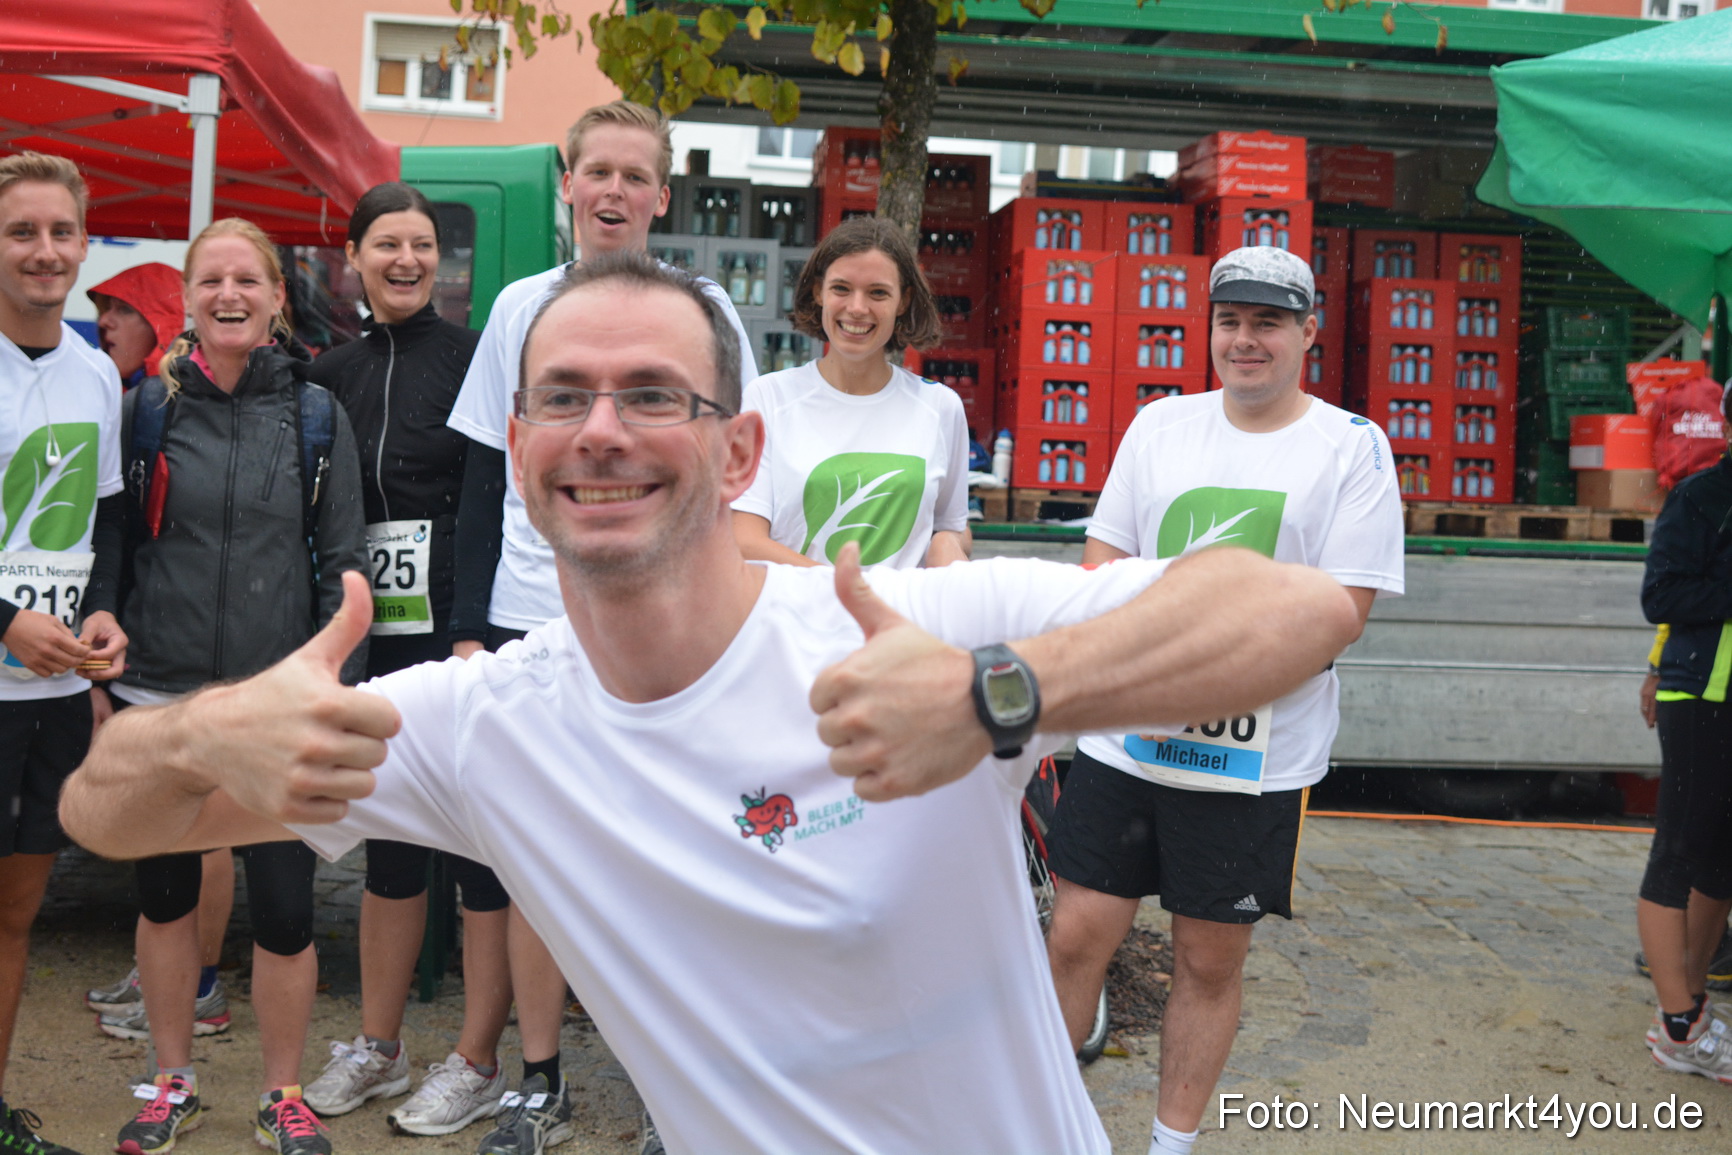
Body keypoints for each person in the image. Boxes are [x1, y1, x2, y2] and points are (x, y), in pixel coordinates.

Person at [61, 251, 1362, 1155]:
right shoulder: (489, 724)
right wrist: (194, 728)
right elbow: (104, 814)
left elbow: (1287, 611)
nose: (604, 428)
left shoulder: (896, 641)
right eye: (563, 395)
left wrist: (1000, 694)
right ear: (517, 449)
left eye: (654, 397)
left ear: (741, 450)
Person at [1040, 245, 1405, 1155]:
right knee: (1075, 933)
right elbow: (1103, 567)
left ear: (1308, 333)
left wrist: (1201, 673)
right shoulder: (1161, 428)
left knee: (1208, 957)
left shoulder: (1351, 448)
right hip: (1130, 739)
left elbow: (1340, 615)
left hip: (1254, 756)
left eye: (1269, 322)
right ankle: (1040, 1130)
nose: (1246, 340)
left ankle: (1172, 1143)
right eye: (1230, 321)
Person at [444, 99, 757, 1155]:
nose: (615, 191)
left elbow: (722, 480)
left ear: (662, 195)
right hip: (532, 619)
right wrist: (467, 630)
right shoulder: (518, 311)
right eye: (598, 172)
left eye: (637, 175)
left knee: (686, 861)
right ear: (568, 187)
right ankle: (538, 1078)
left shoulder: (705, 311)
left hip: (666, 630)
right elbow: (486, 480)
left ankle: (690, 1094)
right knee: (539, 864)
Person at [101, 217, 366, 1155]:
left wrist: (337, 694)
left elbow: (344, 567)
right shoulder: (148, 409)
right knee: (167, 900)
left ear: (275, 297)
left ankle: (281, 1093)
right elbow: (117, 548)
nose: (229, 295)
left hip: (276, 708)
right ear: (189, 295)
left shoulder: (313, 415)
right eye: (211, 280)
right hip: (161, 696)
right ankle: (170, 1084)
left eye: (247, 280)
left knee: (288, 912)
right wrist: (106, 667)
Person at [302, 182, 514, 1135]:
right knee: (386, 841)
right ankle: (379, 1047)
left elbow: (487, 503)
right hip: (365, 633)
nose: (406, 260)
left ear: (441, 259)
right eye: (386, 243)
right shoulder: (329, 371)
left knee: (477, 851)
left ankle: (475, 1056)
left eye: (422, 245)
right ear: (354, 256)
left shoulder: (472, 361)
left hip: (455, 629)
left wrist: (472, 625)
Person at [0, 150, 127, 1155]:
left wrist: (105, 615)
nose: (45, 252)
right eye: (21, 232)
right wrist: (3, 623)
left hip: (46, 700)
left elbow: (110, 523)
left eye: (60, 233)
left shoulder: (96, 373)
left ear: (84, 245)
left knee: (17, 917)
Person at [83, 259, 235, 1037]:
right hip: (146, 640)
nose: (102, 321)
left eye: (118, 308)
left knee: (199, 817)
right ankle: (164, 970)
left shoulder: (172, 399)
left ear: (155, 311)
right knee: (166, 817)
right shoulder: (134, 398)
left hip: (197, 644)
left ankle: (200, 984)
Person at [732, 215, 969, 569]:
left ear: (903, 301)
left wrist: (948, 543)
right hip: (795, 620)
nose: (857, 308)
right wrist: (852, 593)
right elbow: (744, 541)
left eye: (878, 292)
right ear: (818, 292)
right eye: (841, 288)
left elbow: (952, 526)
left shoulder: (940, 407)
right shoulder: (769, 397)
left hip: (899, 622)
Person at [1636, 382, 1732, 1080]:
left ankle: (1695, 1002)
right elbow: (1661, 595)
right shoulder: (1701, 497)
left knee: (1722, 857)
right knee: (1678, 848)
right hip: (1699, 695)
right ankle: (1676, 1024)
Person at [86, 262, 183, 389]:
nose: (103, 321)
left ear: (163, 327)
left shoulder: (193, 402)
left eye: (125, 310)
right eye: (106, 309)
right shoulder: (88, 391)